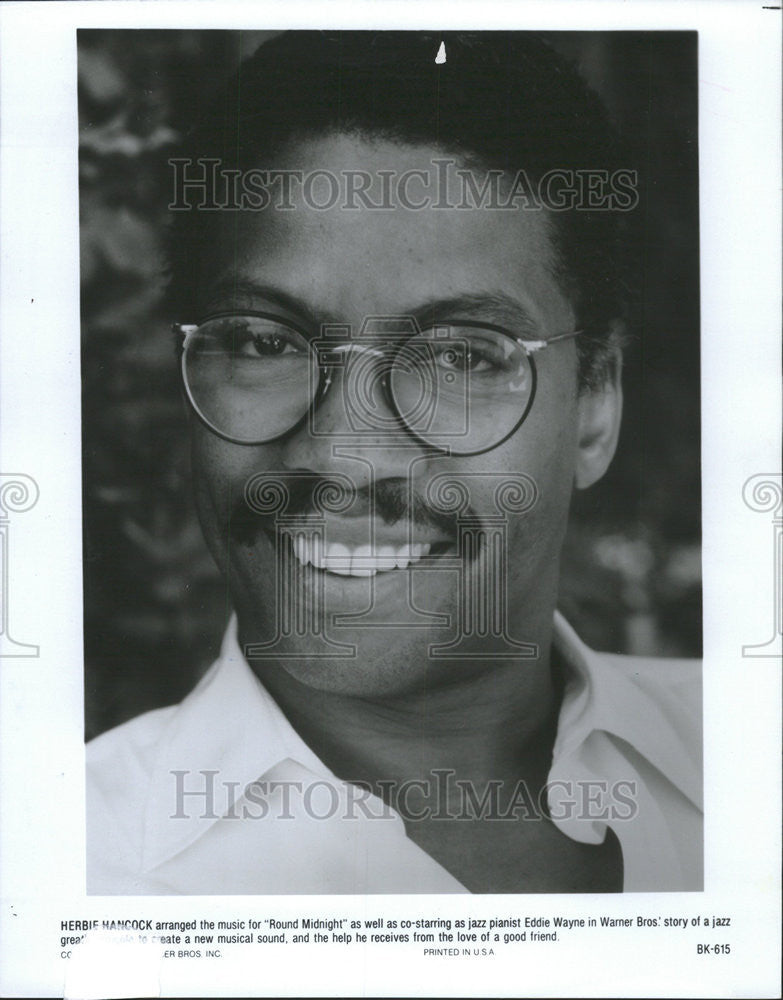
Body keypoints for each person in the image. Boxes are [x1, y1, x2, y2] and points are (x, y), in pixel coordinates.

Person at [86, 31, 702, 894]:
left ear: (594, 404)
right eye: (265, 341)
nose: (345, 457)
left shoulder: (745, 762)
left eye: (457, 357)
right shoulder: (65, 869)